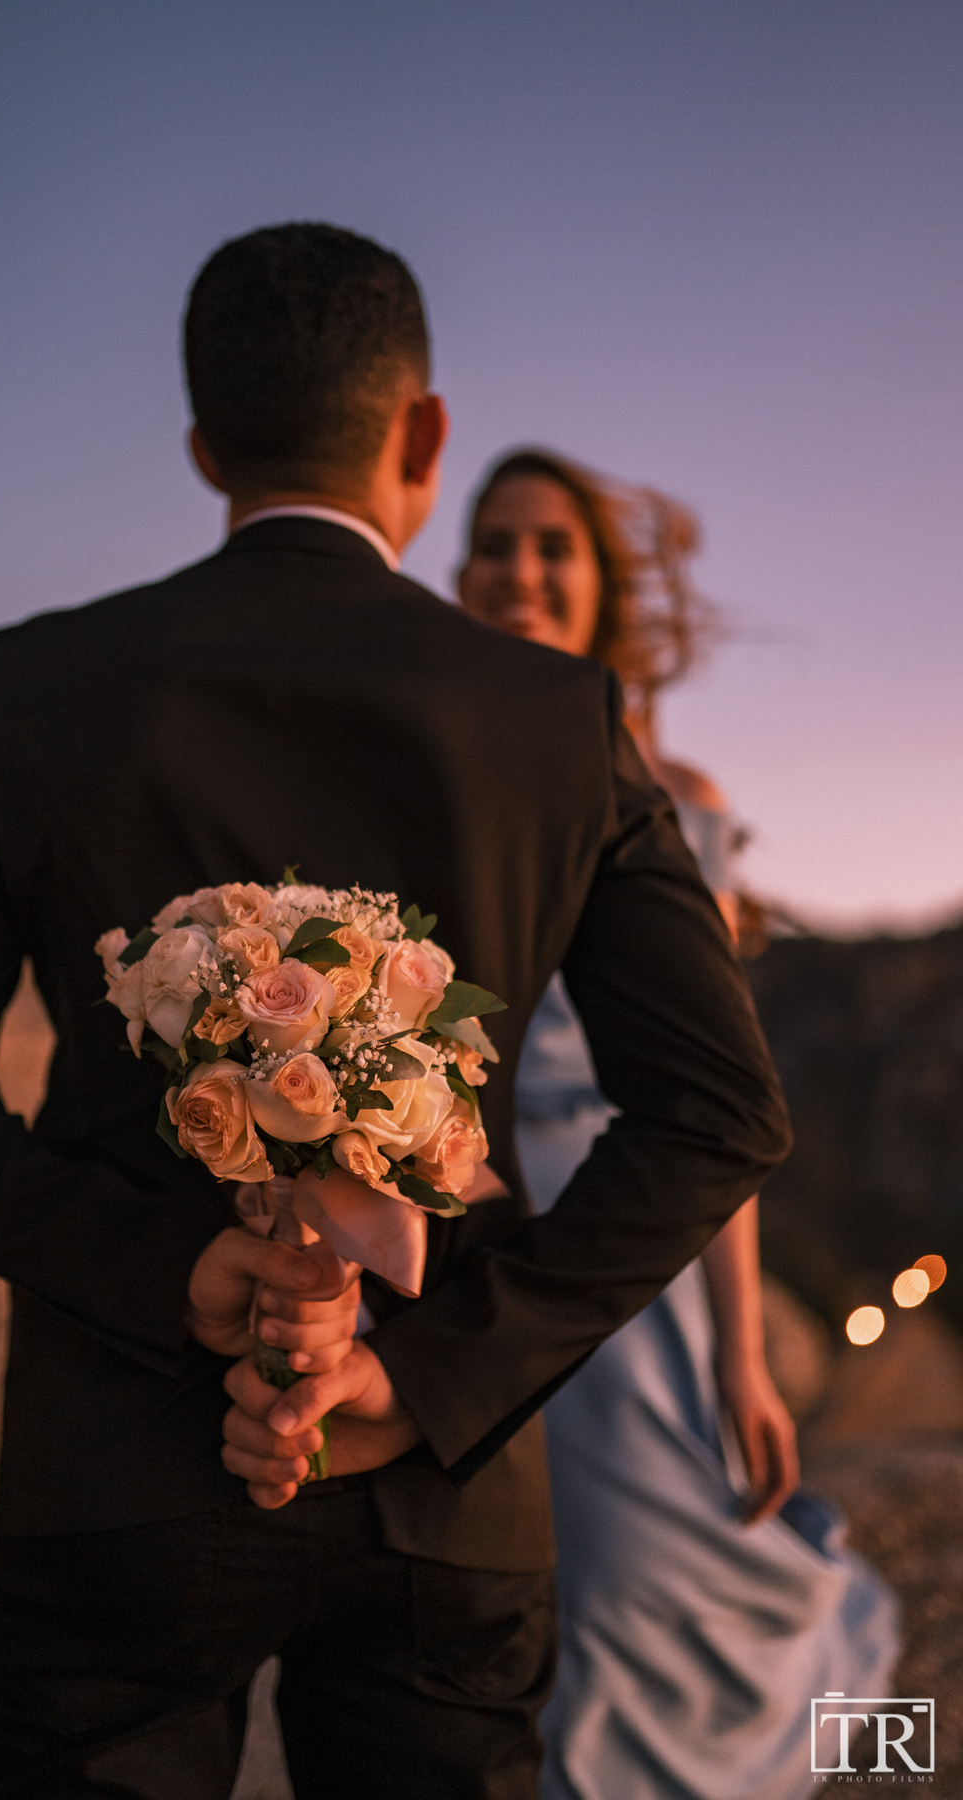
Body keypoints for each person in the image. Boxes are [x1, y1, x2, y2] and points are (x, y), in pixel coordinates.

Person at [0, 225, 790, 1800]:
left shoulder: (34, 685)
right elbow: (723, 1113)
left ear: (205, 443)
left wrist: (173, 1274)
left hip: (114, 1481)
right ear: (421, 435)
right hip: (450, 1510)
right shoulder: (557, 718)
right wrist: (431, 1381)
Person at [458, 449, 899, 1800]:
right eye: (496, 543)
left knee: (638, 1575)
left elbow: (716, 1097)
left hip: (620, 1212)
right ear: (460, 574)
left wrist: (743, 1359)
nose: (523, 570)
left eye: (555, 548)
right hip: (460, 1207)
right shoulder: (433, 757)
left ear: (600, 590)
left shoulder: (677, 798)